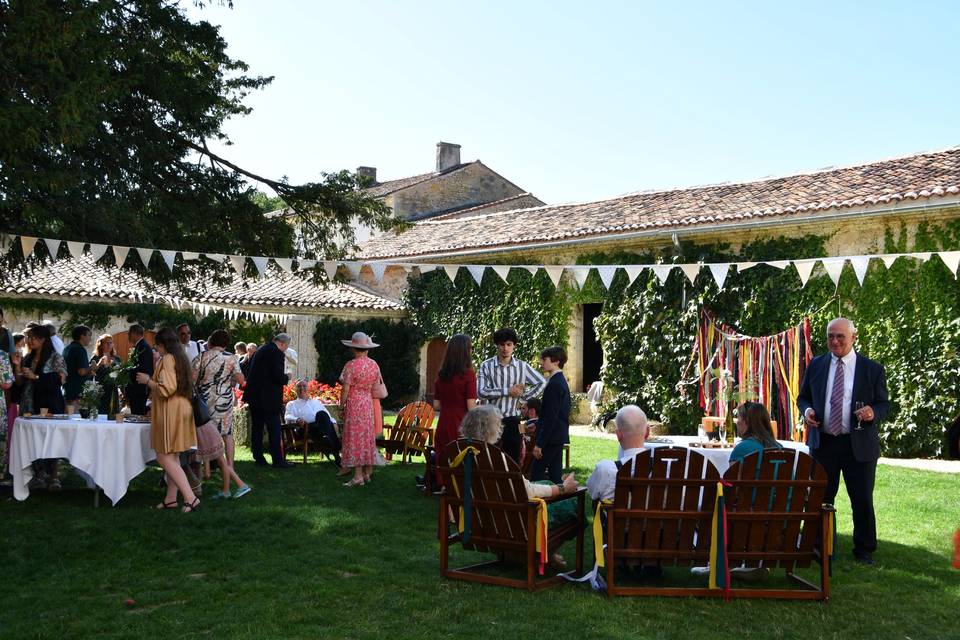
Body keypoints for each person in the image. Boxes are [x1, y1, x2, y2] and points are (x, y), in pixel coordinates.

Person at [797, 317, 889, 565]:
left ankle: (864, 549)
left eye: (840, 336)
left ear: (853, 337)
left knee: (861, 498)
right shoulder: (816, 365)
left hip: (857, 443)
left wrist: (873, 412)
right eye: (830, 336)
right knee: (821, 497)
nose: (835, 341)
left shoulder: (872, 369)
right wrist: (806, 412)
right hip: (824, 442)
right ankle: (817, 546)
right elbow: (802, 398)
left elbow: (884, 404)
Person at [458, 405, 578, 569]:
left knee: (546, 484)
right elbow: (526, 491)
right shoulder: (496, 460)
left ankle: (529, 555)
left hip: (479, 523)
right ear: (491, 430)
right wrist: (562, 488)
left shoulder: (459, 456)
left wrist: (555, 485)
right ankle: (544, 553)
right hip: (509, 526)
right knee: (571, 506)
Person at [136, 327, 200, 512]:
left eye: (157, 346)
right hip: (180, 408)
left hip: (171, 410)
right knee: (173, 457)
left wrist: (148, 380)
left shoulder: (168, 359)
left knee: (164, 457)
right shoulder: (179, 358)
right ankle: (170, 499)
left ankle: (190, 497)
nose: (156, 349)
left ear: (163, 345)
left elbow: (167, 389)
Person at [193, 329, 251, 500]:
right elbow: (241, 381)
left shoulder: (201, 357)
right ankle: (227, 479)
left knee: (207, 439)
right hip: (224, 402)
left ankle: (208, 472)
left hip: (205, 403)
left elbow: (191, 380)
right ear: (225, 343)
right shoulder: (232, 358)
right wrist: (226, 380)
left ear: (210, 341)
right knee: (226, 434)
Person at [477, 327, 545, 463]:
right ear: (497, 345)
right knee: (488, 460)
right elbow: (481, 392)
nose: (505, 348)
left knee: (512, 460)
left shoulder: (522, 366)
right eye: (502, 344)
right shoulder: (486, 365)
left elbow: (541, 382)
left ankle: (510, 484)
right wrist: (507, 391)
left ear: (514, 345)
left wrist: (524, 398)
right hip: (491, 420)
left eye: (509, 344)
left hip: (513, 420)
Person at [14, 324, 67, 489]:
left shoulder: (55, 357)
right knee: (33, 439)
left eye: (34, 338)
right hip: (29, 403)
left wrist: (36, 376)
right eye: (29, 337)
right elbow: (20, 382)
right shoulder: (28, 358)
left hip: (49, 404)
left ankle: (54, 475)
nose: (30, 341)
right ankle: (38, 473)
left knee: (52, 439)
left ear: (43, 340)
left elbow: (61, 380)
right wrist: (17, 366)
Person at [430, 334, 477, 490]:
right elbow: (471, 406)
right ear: (465, 351)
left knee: (444, 456)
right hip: (461, 423)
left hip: (444, 422)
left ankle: (445, 488)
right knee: (461, 458)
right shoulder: (469, 374)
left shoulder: (442, 374)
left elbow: (436, 405)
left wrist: (450, 404)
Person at [242, 333, 294, 468]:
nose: (285, 349)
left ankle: (258, 457)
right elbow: (277, 376)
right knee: (274, 429)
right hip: (268, 398)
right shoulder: (276, 353)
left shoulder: (261, 349)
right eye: (286, 347)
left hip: (254, 396)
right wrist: (286, 377)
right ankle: (278, 460)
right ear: (282, 343)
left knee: (257, 428)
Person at [338, 332, 382, 487]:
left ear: (353, 348)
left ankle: (357, 477)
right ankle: (366, 473)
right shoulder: (374, 364)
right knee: (366, 437)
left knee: (356, 438)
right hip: (367, 403)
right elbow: (376, 384)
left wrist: (341, 405)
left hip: (355, 404)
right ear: (367, 349)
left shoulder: (350, 365)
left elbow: (345, 389)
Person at [586, 405, 649, 503]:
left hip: (619, 518)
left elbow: (591, 492)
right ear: (647, 432)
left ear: (618, 435)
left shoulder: (605, 470)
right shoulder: (669, 471)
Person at [531, 346, 571, 484]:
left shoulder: (554, 384)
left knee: (536, 473)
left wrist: (540, 444)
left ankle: (540, 504)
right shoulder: (559, 381)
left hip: (551, 438)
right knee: (555, 476)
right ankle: (559, 504)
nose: (541, 363)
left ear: (556, 361)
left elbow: (550, 417)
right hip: (557, 436)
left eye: (544, 359)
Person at [284, 378, 341, 468]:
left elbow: (327, 416)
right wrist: (297, 419)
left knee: (321, 414)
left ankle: (331, 447)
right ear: (295, 390)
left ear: (308, 389)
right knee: (325, 424)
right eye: (299, 386)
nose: (302, 388)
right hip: (305, 428)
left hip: (321, 427)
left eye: (304, 386)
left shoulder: (316, 402)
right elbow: (287, 416)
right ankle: (336, 453)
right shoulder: (292, 404)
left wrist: (334, 423)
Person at [125, 324, 154, 415]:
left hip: (139, 389)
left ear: (134, 334)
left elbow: (144, 368)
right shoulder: (140, 346)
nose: (128, 336)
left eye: (129, 334)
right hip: (137, 389)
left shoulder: (143, 347)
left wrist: (127, 370)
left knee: (138, 415)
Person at [62, 325, 93, 411]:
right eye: (89, 335)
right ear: (82, 336)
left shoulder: (67, 348)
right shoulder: (80, 350)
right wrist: (93, 367)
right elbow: (81, 371)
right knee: (77, 421)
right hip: (77, 393)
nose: (90, 338)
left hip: (67, 390)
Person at [92, 334, 121, 414]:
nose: (109, 345)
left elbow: (121, 374)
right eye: (106, 343)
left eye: (111, 343)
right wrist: (99, 364)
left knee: (112, 413)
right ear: (100, 345)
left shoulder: (117, 358)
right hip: (100, 391)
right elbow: (91, 373)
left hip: (112, 390)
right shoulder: (95, 358)